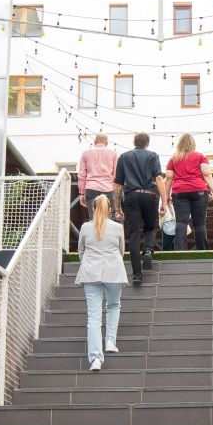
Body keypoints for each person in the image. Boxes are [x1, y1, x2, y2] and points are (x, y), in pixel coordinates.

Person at [76, 195, 127, 371]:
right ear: (110, 210)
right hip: (114, 272)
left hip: (90, 273)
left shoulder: (85, 227)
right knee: (113, 305)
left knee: (93, 317)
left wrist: (89, 263)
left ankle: (96, 359)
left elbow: (81, 252)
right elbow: (121, 251)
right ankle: (110, 341)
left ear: (93, 209)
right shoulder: (117, 228)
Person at [114, 132, 167, 286]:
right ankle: (148, 250)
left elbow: (118, 185)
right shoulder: (153, 156)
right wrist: (164, 201)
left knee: (134, 235)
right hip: (150, 195)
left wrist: (117, 207)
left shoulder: (124, 157)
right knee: (150, 227)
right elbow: (159, 178)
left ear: (134, 142)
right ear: (147, 143)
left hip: (131, 197)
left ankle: (137, 275)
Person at [167, 133, 213, 251]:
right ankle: (203, 251)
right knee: (199, 224)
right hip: (199, 191)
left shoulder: (173, 158)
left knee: (181, 222)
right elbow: (206, 173)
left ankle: (179, 251)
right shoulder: (200, 157)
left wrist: (166, 196)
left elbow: (168, 178)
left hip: (179, 192)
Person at [76, 133, 116, 212]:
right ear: (107, 143)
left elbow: (82, 175)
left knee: (93, 216)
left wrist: (81, 193)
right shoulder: (114, 154)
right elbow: (116, 175)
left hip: (91, 188)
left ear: (94, 142)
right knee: (107, 217)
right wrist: (114, 193)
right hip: (108, 188)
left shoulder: (85, 153)